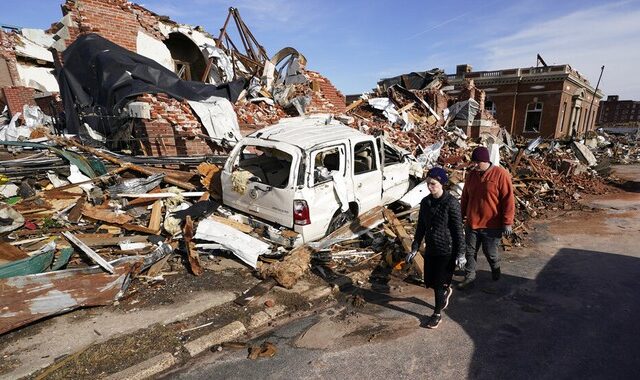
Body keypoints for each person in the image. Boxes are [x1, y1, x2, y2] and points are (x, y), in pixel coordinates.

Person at [406, 167, 465, 329]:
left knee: (438, 284)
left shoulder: (451, 203)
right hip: (431, 248)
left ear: (442, 183)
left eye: (433, 184)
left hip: (447, 250)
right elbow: (421, 227)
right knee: (430, 281)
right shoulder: (426, 202)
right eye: (428, 184)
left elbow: (458, 230)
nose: (429, 187)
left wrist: (461, 253)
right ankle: (445, 291)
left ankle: (436, 314)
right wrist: (415, 248)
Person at [458, 146, 515, 290]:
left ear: (486, 161)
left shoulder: (500, 174)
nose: (475, 165)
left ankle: (495, 267)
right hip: (472, 222)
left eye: (478, 162)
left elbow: (508, 199)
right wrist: (460, 216)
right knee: (470, 252)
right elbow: (465, 197)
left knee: (490, 252)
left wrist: (507, 222)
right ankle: (469, 277)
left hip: (492, 225)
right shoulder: (471, 175)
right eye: (474, 162)